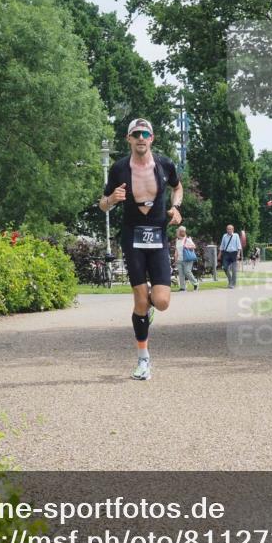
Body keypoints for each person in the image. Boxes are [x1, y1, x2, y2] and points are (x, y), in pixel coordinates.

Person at [99, 117, 183, 380]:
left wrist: (176, 207)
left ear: (152, 138)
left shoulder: (165, 164)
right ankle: (143, 359)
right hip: (132, 237)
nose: (140, 138)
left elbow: (177, 188)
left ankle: (148, 312)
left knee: (161, 301)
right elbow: (102, 203)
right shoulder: (119, 169)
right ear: (129, 139)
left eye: (145, 133)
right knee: (140, 301)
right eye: (136, 134)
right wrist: (112, 199)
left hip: (158, 236)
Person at [174, 225, 200, 292]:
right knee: (181, 274)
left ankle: (195, 284)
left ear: (181, 232)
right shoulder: (177, 240)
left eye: (178, 232)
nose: (177, 233)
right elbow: (176, 250)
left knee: (187, 272)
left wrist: (187, 246)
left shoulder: (187, 239)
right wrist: (175, 260)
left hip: (187, 259)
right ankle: (183, 288)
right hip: (179, 260)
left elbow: (194, 246)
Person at [219, 224, 241, 289]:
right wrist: (219, 254)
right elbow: (222, 245)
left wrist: (238, 254)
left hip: (234, 253)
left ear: (233, 229)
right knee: (225, 267)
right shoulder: (224, 236)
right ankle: (230, 280)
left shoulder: (236, 235)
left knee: (234, 270)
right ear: (226, 230)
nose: (229, 230)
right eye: (228, 229)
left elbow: (239, 245)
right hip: (226, 253)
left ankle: (233, 284)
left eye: (230, 229)